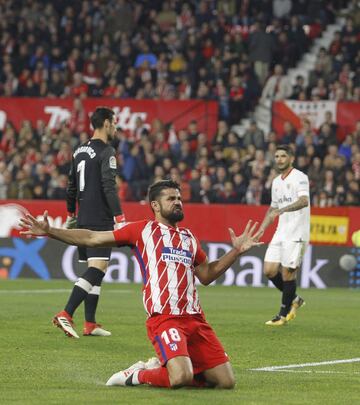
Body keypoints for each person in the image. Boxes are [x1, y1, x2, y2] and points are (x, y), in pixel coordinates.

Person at [20, 179, 262, 389]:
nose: (178, 202)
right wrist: (51, 231)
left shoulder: (189, 238)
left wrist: (236, 251)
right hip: (164, 318)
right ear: (155, 206)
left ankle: (172, 366)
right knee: (181, 378)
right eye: (171, 199)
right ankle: (137, 374)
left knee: (225, 381)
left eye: (179, 198)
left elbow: (207, 275)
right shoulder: (141, 230)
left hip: (195, 319)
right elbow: (92, 237)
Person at [54, 107, 126, 338]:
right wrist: (120, 217)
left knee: (93, 269)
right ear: (106, 123)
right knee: (98, 268)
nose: (115, 127)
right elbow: (108, 185)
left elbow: (71, 186)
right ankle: (66, 313)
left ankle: (90, 323)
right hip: (99, 218)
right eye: (114, 123)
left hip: (83, 216)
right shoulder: (107, 151)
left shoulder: (79, 150)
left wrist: (69, 214)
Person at [255, 145, 310, 326]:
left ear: (291, 158)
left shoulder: (300, 177)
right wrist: (263, 227)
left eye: (283, 156)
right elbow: (273, 208)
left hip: (297, 232)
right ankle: (295, 299)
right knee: (269, 270)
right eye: (277, 156)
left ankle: (282, 315)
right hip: (281, 231)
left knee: (288, 273)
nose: (279, 159)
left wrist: (283, 209)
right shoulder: (277, 181)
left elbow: (304, 201)